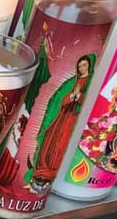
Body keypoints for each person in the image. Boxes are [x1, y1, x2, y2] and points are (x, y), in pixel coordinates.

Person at [28, 52, 96, 190]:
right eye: (80, 66)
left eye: (84, 65)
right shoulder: (71, 81)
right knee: (50, 143)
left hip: (72, 121)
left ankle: (50, 174)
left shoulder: (91, 83)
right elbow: (57, 98)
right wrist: (70, 97)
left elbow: (91, 102)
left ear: (90, 66)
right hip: (59, 118)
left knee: (61, 145)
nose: (82, 68)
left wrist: (80, 97)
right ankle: (40, 171)